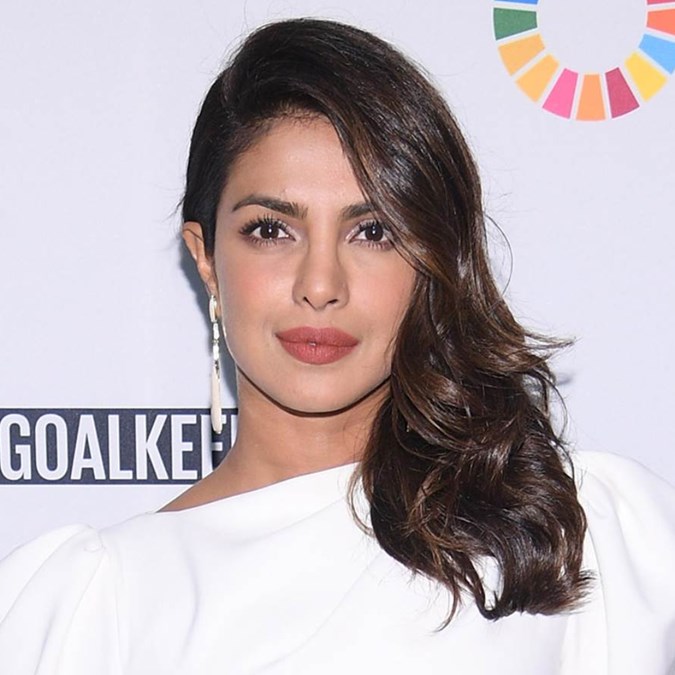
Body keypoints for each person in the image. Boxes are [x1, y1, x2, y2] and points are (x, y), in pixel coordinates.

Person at [1, 17, 674, 674]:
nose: (320, 285)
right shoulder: (97, 606)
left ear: (432, 260)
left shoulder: (584, 533)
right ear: (205, 258)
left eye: (373, 232)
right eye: (271, 230)